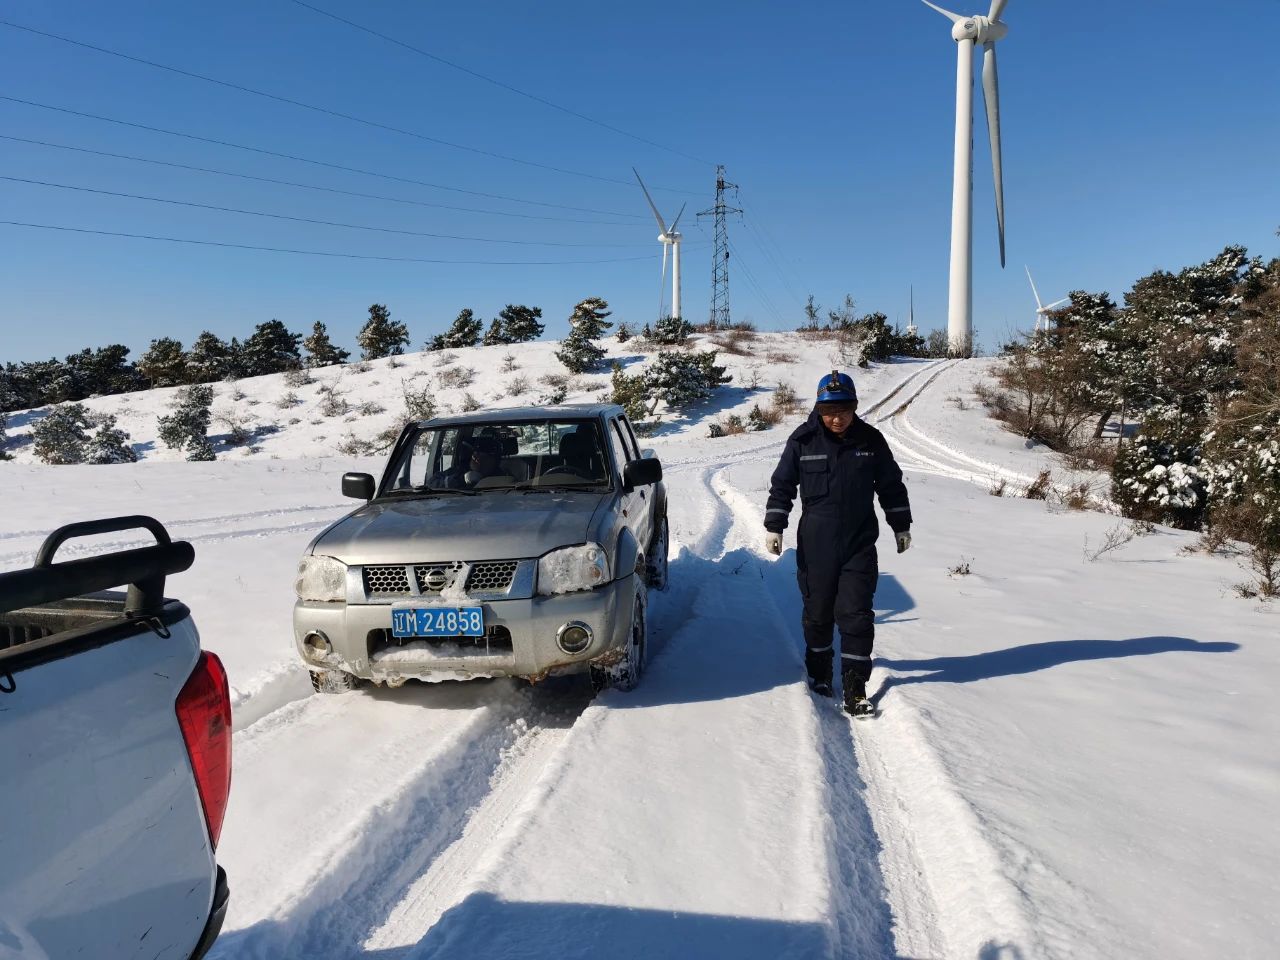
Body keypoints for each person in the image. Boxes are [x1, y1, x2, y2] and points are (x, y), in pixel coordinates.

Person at [762, 370, 912, 716]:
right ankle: (819, 673)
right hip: (816, 545)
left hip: (859, 543)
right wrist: (775, 525)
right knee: (818, 614)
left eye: (844, 409)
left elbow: (890, 485)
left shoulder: (870, 441)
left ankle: (856, 684)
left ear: (855, 407)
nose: (837, 417)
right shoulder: (802, 441)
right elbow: (782, 485)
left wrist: (900, 525)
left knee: (856, 614)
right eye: (829, 411)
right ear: (818, 409)